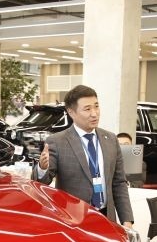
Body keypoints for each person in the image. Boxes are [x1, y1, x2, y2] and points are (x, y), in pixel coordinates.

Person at [36, 85, 134, 229]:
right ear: (71, 112)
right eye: (87, 109)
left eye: (96, 106)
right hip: (74, 222)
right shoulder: (57, 141)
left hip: (107, 217)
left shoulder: (111, 139)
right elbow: (41, 183)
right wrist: (42, 168)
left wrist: (127, 220)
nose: (94, 114)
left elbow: (119, 182)